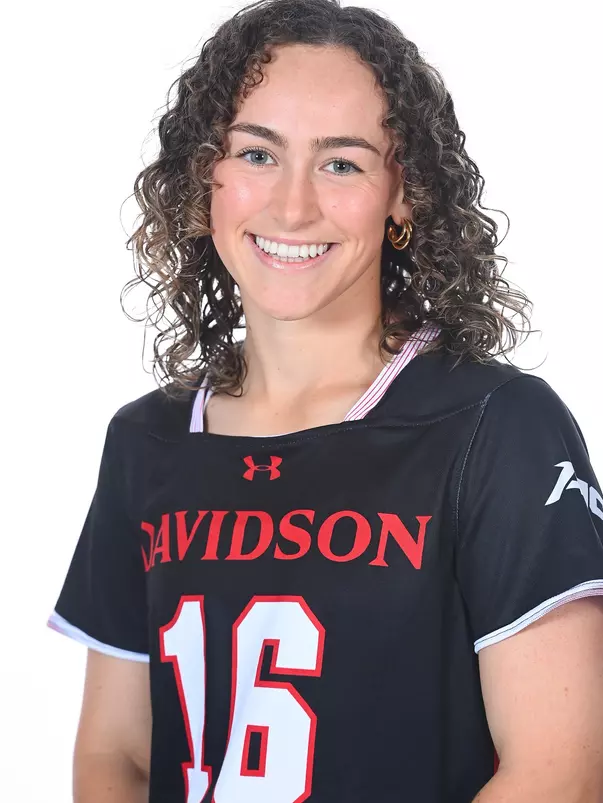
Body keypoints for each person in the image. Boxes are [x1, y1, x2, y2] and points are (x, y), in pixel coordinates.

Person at [47, 0, 603, 801]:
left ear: (403, 193)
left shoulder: (496, 426)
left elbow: (561, 771)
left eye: (341, 164)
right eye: (256, 154)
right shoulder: (149, 438)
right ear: (204, 177)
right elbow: (119, 756)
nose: (292, 206)